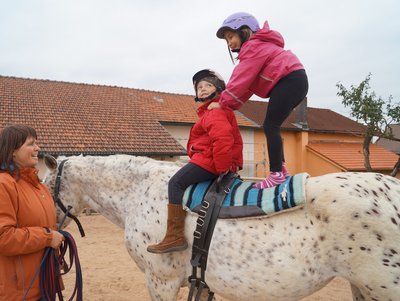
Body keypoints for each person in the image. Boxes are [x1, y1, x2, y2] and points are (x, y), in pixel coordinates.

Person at [147, 69, 243, 254]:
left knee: (176, 182)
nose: (203, 89)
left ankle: (175, 235)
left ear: (219, 89)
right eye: (199, 87)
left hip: (211, 161)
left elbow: (222, 140)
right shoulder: (210, 112)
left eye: (208, 85)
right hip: (209, 159)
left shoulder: (215, 111)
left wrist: (223, 169)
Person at [214, 12, 309, 189]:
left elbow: (240, 79)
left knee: (270, 126)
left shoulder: (252, 48)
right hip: (295, 80)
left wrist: (221, 103)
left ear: (244, 31)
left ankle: (276, 174)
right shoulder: (259, 48)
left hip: (289, 79)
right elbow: (246, 87)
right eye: (227, 40)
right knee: (273, 125)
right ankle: (282, 171)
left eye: (231, 37)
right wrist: (229, 105)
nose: (230, 43)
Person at [0, 125, 65, 301]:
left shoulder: (38, 186)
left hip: (44, 282)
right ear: (12, 151)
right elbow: (3, 238)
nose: (37, 148)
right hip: (19, 291)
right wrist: (48, 237)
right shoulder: (3, 185)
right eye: (31, 144)